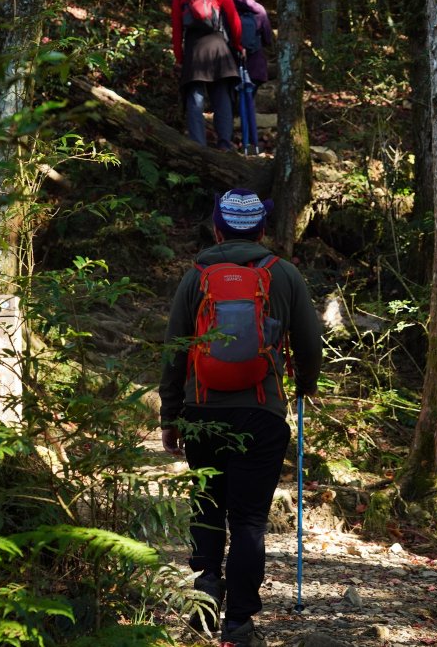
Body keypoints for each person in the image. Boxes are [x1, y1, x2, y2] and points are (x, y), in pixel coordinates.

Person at [159, 190, 323, 647]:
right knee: (248, 520)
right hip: (261, 413)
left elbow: (174, 352)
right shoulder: (284, 275)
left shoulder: (196, 278)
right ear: (261, 231)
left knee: (208, 506)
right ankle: (240, 625)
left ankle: (206, 597)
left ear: (217, 230)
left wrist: (169, 415)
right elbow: (310, 344)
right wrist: (306, 385)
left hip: (202, 412)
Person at [172, 0, 245, 150]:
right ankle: (225, 145)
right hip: (219, 46)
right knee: (222, 97)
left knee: (195, 98)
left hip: (194, 50)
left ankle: (198, 146)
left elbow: (177, 30)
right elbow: (234, 20)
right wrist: (237, 45)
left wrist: (180, 58)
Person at [229, 0, 273, 95]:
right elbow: (267, 36)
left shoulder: (227, 9)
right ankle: (248, 108)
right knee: (252, 90)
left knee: (231, 89)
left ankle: (234, 108)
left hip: (231, 59)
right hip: (255, 58)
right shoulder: (259, 10)